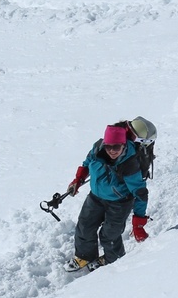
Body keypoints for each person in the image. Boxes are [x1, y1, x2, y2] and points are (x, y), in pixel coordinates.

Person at [64, 117, 155, 273]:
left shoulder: (129, 164)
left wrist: (138, 223)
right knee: (84, 227)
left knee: (109, 234)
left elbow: (140, 193)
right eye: (109, 147)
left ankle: (112, 258)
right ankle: (84, 256)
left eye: (117, 147)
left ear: (124, 145)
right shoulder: (97, 148)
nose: (112, 151)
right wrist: (77, 180)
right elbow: (86, 163)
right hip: (96, 197)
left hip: (119, 203)